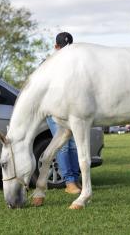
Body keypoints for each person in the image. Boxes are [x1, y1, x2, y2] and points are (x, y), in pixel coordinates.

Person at [46, 32, 81, 194]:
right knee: (63, 146)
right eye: (63, 48)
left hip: (71, 111)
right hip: (55, 111)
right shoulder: (48, 65)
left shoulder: (73, 65)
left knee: (73, 146)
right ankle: (69, 182)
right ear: (56, 47)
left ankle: (75, 179)